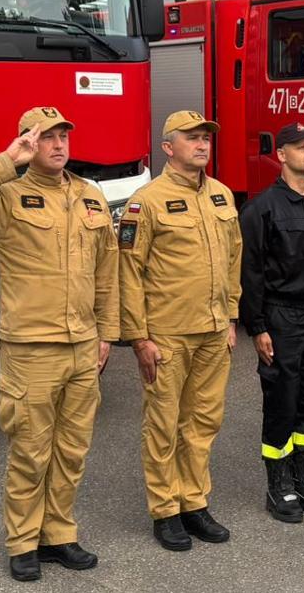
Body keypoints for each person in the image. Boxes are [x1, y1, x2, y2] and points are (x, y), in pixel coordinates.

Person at [0, 106, 116, 582]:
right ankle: (22, 541)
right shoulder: (6, 198)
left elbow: (107, 274)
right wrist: (8, 159)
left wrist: (107, 334)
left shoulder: (90, 197)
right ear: (27, 143)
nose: (58, 145)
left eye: (63, 136)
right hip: (30, 348)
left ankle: (59, 534)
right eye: (46, 138)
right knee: (31, 450)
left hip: (82, 345)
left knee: (72, 449)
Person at [118, 110, 243, 552]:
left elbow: (233, 261)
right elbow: (128, 271)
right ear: (168, 148)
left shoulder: (222, 196)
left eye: (206, 137)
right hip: (167, 335)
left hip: (213, 331)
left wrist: (230, 318)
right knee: (164, 424)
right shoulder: (145, 201)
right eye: (192, 138)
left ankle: (194, 502)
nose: (202, 145)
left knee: (203, 422)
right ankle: (165, 510)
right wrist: (139, 338)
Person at [238, 123, 304, 524]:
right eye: (300, 147)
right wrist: (259, 327)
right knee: (282, 401)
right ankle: (278, 483)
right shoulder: (262, 208)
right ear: (281, 155)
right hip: (283, 317)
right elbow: (250, 274)